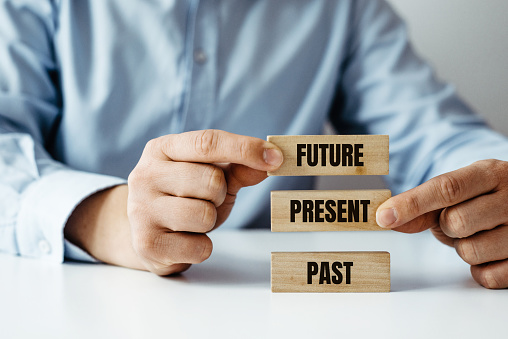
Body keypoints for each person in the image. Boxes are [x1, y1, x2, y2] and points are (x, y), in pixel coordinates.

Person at [1, 0, 507, 288]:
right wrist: (106, 217)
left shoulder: (343, 8)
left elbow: (435, 130)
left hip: (280, 302)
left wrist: (491, 189)